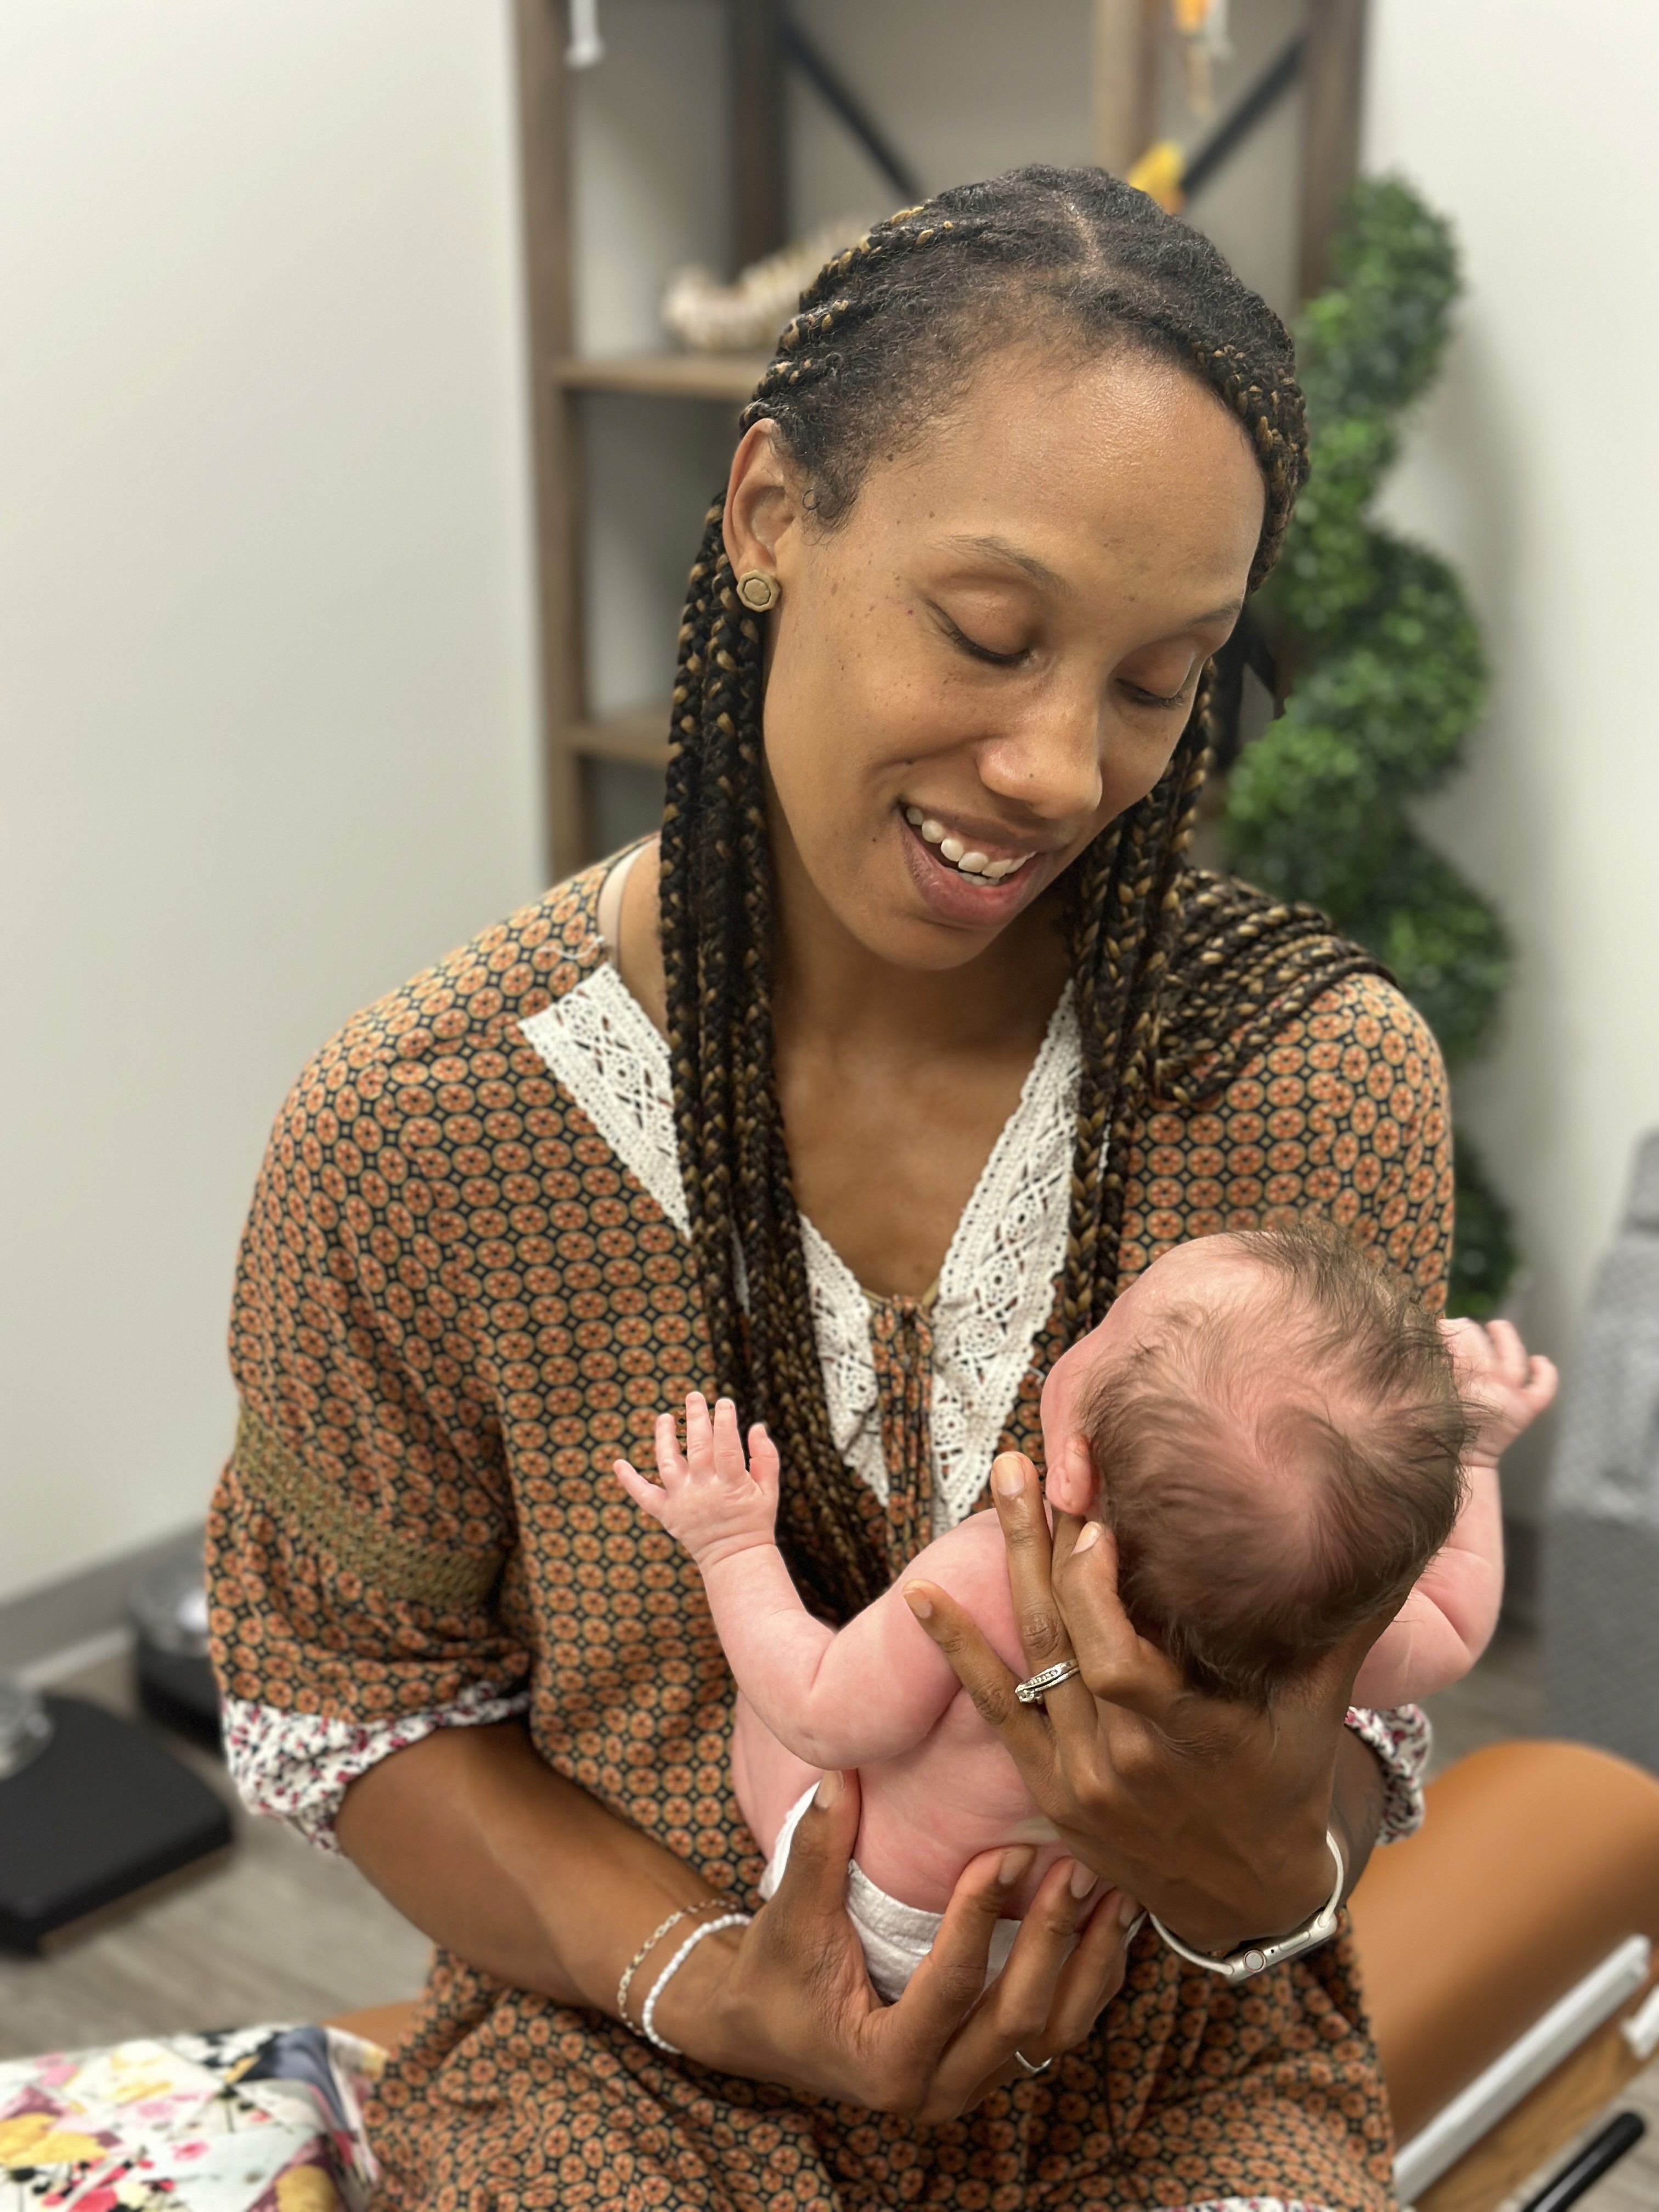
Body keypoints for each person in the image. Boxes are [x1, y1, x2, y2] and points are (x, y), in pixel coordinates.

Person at [209, 167, 1463, 2210]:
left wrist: (1235, 1864)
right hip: (633, 2085)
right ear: (772, 513)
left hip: (1176, 2084)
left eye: (1162, 683)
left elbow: (1349, 1694)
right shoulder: (422, 1135)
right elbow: (359, 1709)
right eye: (988, 633)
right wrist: (720, 1983)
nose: (1063, 766)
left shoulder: (1303, 1089)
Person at [617, 1230, 1555, 2004]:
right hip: (1074, 1954)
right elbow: (1456, 1618)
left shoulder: (991, 1572)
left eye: (1105, 1324)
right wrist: (1472, 1456)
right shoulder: (1319, 1635)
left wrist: (734, 1549)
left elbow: (818, 1709)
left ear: (1071, 1470)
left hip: (874, 1920)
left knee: (790, 1732)